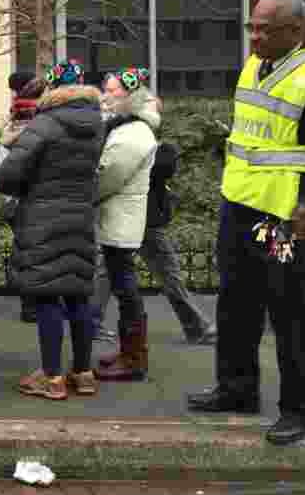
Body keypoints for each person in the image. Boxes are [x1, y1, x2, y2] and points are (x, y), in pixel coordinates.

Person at [190, 0, 305, 446]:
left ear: (296, 30)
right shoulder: (254, 64)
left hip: (281, 216)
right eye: (253, 27)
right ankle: (236, 389)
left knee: (286, 310)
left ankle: (300, 410)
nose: (256, 36)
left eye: (266, 29)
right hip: (240, 204)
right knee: (235, 301)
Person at [0, 60, 103, 400]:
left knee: (47, 298)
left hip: (42, 219)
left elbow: (9, 175)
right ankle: (84, 373)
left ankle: (53, 377)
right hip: (81, 217)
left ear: (51, 90)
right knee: (78, 296)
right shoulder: (98, 124)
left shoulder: (45, 123)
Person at [92, 98, 216, 347]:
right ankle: (197, 327)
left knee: (108, 270)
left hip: (131, 216)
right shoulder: (144, 142)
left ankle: (91, 322)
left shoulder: (123, 138)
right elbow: (161, 167)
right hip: (144, 219)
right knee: (168, 274)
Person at [93, 67, 159, 383]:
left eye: (113, 90)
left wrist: (85, 196)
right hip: (119, 219)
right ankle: (129, 352)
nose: (106, 96)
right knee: (123, 287)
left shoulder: (132, 133)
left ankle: (134, 357)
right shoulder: (129, 127)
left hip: (120, 221)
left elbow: (108, 177)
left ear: (129, 96)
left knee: (126, 288)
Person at [0, 77, 47, 324]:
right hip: (31, 200)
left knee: (25, 251)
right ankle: (34, 304)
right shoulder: (37, 135)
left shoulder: (8, 135)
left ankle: (29, 303)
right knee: (37, 253)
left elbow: (3, 173)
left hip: (16, 202)